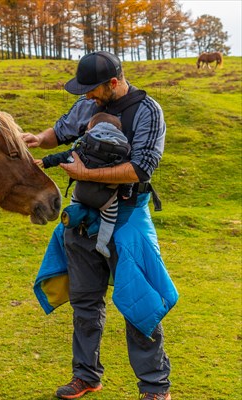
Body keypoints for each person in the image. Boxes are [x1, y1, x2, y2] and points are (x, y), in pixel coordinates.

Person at [24, 51, 178, 400]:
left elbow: (141, 169)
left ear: (113, 83)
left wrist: (85, 174)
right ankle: (86, 376)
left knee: (138, 302)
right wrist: (38, 139)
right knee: (84, 301)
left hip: (127, 217)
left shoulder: (147, 111)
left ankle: (155, 388)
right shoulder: (87, 105)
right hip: (83, 217)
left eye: (92, 89)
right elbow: (61, 131)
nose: (87, 96)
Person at [38, 112, 131, 258]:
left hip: (81, 192)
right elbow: (127, 174)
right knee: (109, 219)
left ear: (92, 128)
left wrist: (46, 161)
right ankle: (101, 243)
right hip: (105, 200)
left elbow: (65, 156)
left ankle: (70, 225)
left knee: (74, 205)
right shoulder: (123, 149)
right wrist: (126, 191)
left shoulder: (86, 144)